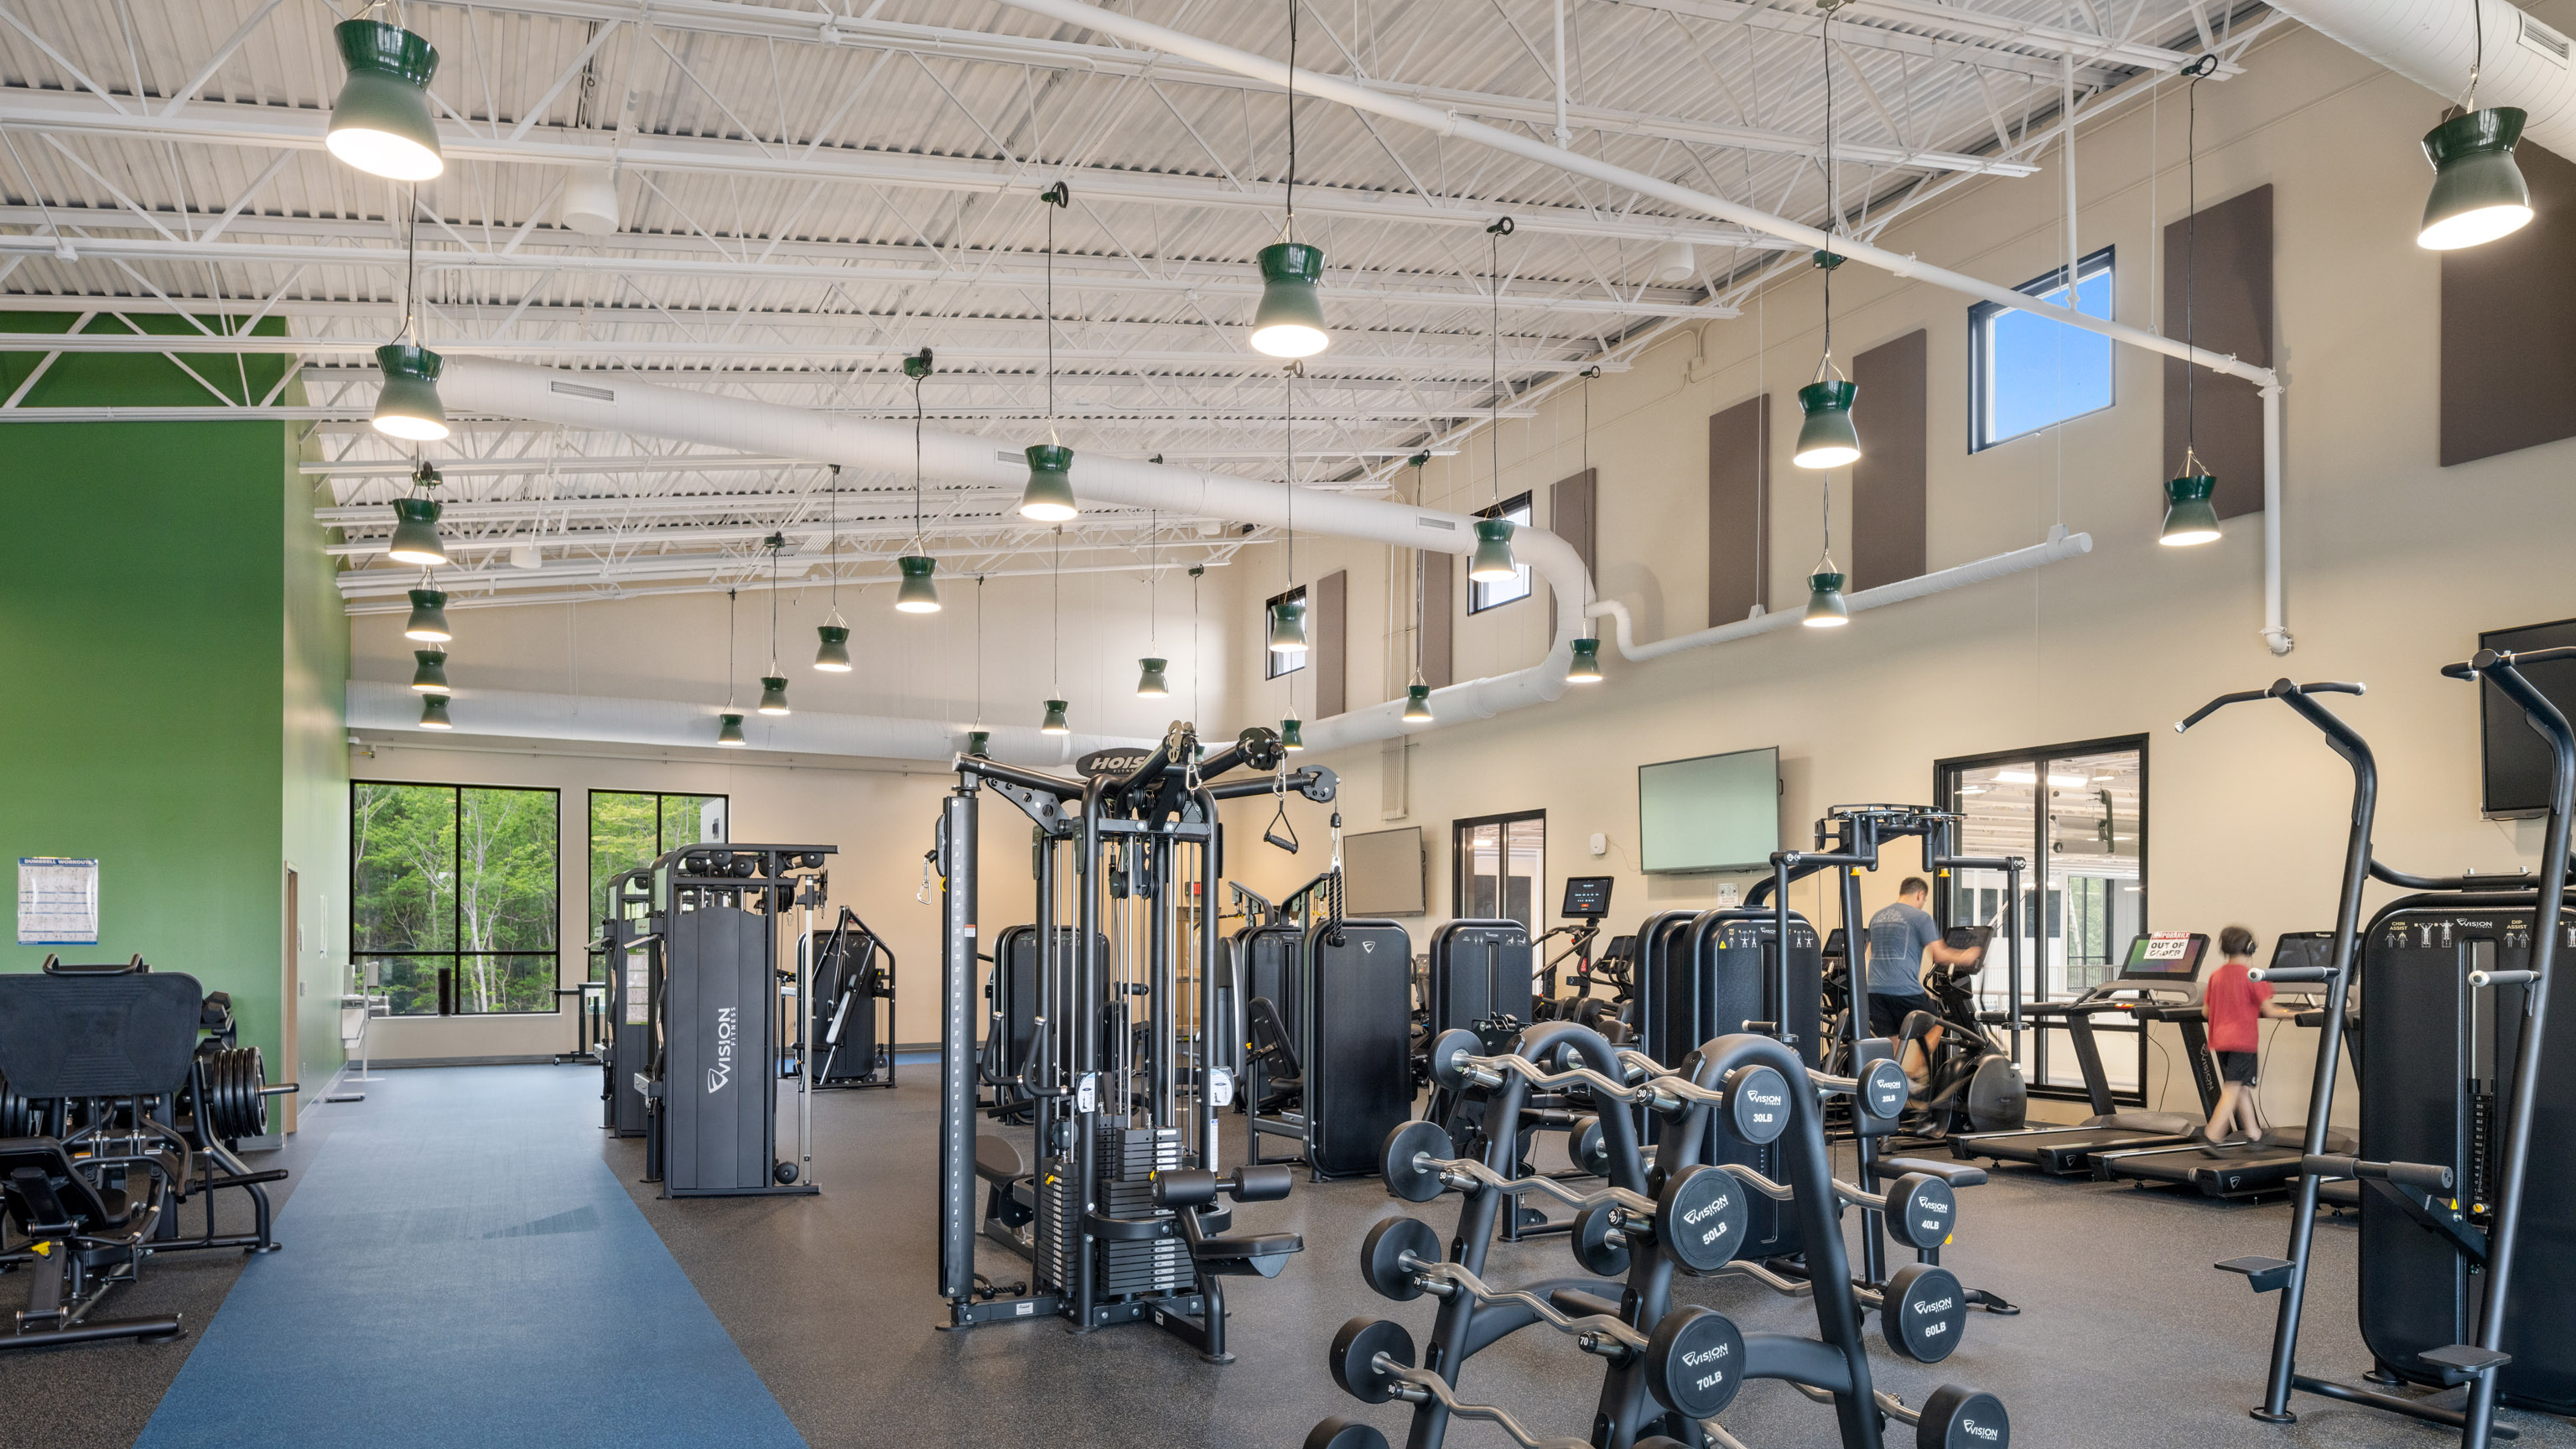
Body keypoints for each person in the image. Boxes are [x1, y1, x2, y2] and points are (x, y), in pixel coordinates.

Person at [1864, 878, 1982, 1083]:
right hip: (1904, 991)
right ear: (1920, 894)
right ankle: (1917, 1074)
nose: (1923, 903)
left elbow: (1870, 953)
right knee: (1938, 1021)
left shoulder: (1878, 916)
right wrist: (1968, 956)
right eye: (1924, 899)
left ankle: (1891, 1083)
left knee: (1890, 1039)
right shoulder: (1920, 917)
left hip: (1874, 989)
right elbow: (1940, 956)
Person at [2203, 925, 2298, 1141]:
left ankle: (2254, 1133)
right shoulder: (2254, 976)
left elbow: (2205, 1011)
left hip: (2219, 1040)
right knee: (2232, 1088)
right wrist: (2305, 1012)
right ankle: (2213, 1134)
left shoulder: (2215, 976)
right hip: (2242, 1041)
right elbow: (2270, 1010)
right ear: (2250, 948)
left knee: (2240, 1086)